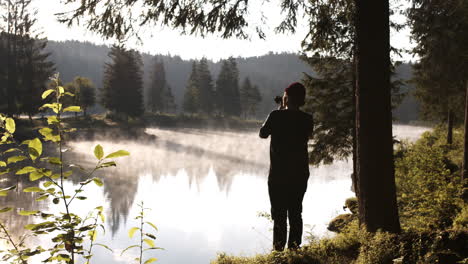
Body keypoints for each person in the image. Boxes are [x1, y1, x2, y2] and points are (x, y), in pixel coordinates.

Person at [259, 82, 314, 251]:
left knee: (279, 215)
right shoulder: (307, 119)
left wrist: (280, 109)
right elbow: (306, 134)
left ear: (287, 98)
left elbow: (263, 134)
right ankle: (294, 251)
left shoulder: (276, 115)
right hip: (299, 174)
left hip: (278, 175)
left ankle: (278, 252)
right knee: (296, 213)